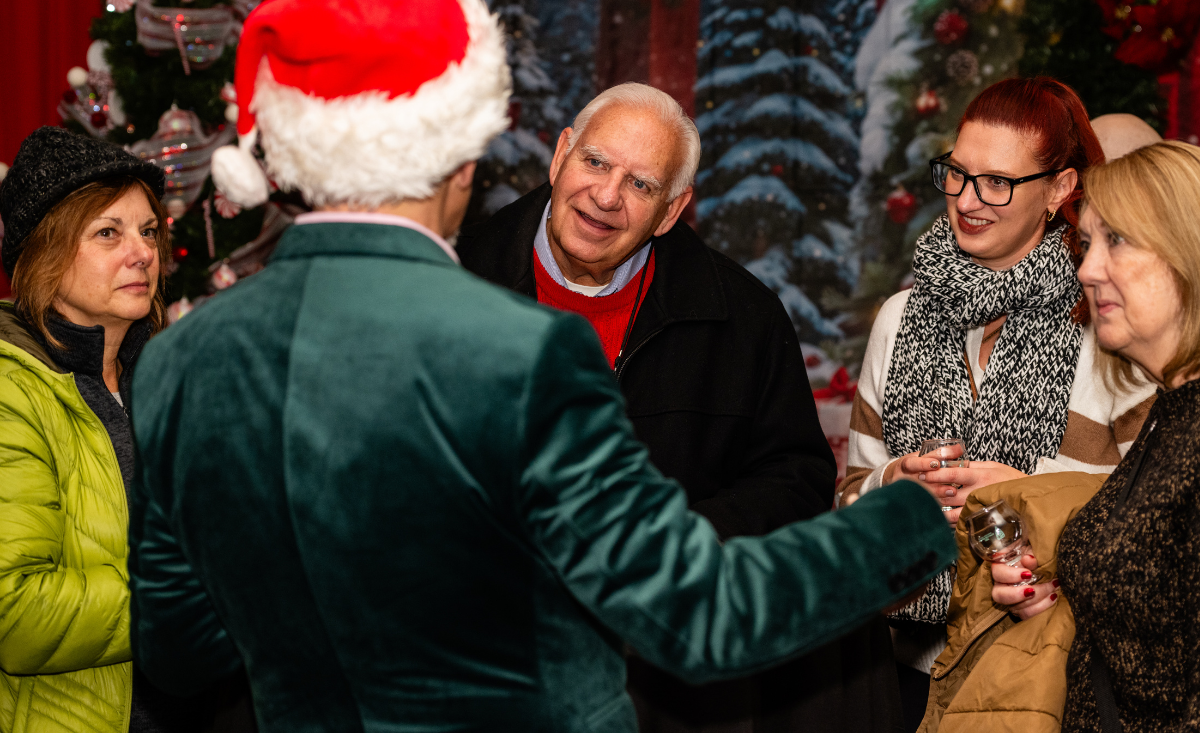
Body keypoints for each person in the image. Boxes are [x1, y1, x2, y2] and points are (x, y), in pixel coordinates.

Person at [126, 0, 955, 733]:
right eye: (596, 165)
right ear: (462, 161)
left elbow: (178, 648)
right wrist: (911, 517)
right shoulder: (524, 353)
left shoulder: (180, 358)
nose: (605, 195)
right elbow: (704, 617)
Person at [457, 83, 900, 733]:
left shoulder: (740, 316)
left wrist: (671, 545)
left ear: (671, 210)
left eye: (641, 185)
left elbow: (795, 478)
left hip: (663, 662)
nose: (606, 197)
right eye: (596, 163)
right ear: (559, 158)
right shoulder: (453, 279)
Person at [837, 77, 1157, 730]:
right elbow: (847, 496)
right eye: (956, 173)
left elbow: (1156, 522)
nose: (966, 200)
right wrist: (892, 483)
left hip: (1054, 679)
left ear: (1061, 189)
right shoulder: (899, 320)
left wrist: (1027, 501)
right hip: (906, 673)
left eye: (997, 182)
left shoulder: (1112, 327)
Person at [0, 128, 250, 733]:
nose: (142, 252)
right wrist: (191, 590)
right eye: (108, 232)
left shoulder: (166, 376)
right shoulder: (12, 391)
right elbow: (14, 615)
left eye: (147, 231)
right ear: (44, 252)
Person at [991, 141, 1200, 733]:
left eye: (1119, 240)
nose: (1086, 269)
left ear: (1187, 249)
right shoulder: (1174, 411)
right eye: (1086, 243)